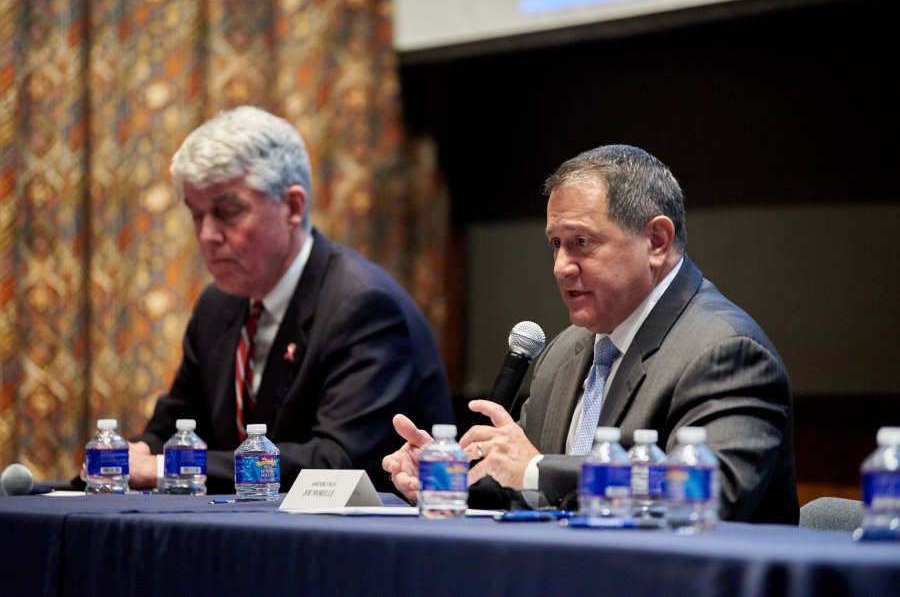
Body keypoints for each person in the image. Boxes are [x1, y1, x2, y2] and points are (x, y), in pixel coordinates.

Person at [383, 144, 799, 524]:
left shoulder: (726, 352)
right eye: (555, 244)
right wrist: (447, 479)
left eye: (581, 242)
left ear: (656, 241)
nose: (561, 266)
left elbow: (707, 495)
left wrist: (536, 470)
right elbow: (523, 486)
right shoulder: (563, 352)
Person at [126, 105, 454, 494]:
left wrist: (169, 467)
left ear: (293, 207)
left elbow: (337, 461)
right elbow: (174, 427)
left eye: (228, 212)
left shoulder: (362, 305)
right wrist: (123, 458)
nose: (207, 235)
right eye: (196, 215)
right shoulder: (217, 305)